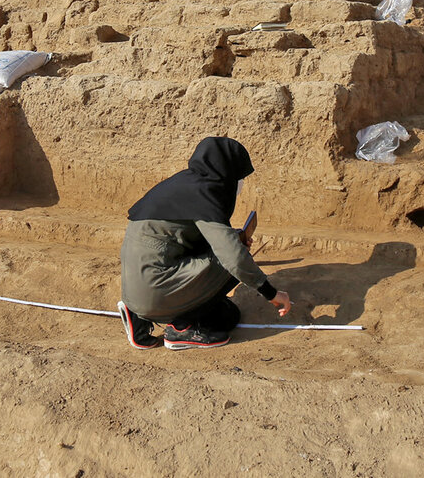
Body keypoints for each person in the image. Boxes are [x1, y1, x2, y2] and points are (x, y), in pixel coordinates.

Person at [118, 137, 293, 350]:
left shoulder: (183, 185)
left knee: (228, 312)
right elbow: (234, 259)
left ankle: (139, 317)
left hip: (136, 289)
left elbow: (188, 238)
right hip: (155, 288)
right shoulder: (205, 194)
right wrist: (272, 294)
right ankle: (182, 328)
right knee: (227, 313)